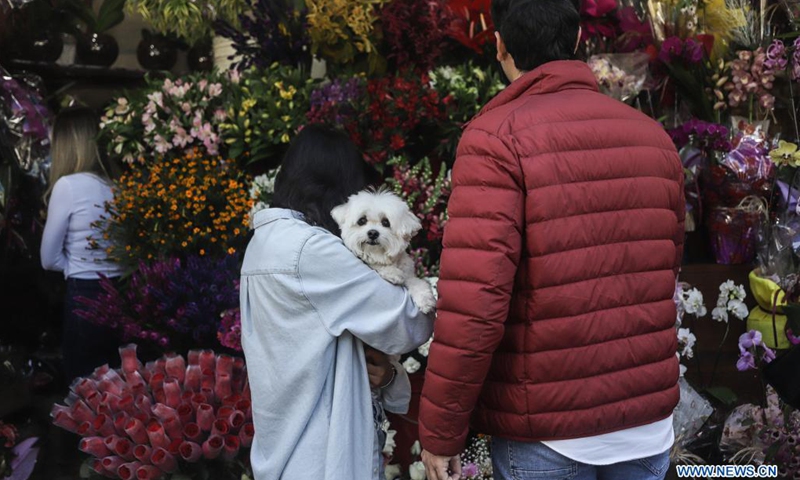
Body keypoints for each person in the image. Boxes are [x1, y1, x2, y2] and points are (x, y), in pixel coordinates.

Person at [417, 0, 685, 479]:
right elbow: (667, 272)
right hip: (645, 425)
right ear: (578, 40)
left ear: (499, 45)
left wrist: (440, 430)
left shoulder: (496, 139)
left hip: (547, 430)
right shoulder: (653, 138)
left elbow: (476, 302)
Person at [239, 125, 434, 480]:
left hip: (281, 443)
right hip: (323, 452)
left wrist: (386, 374)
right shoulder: (312, 250)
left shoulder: (262, 242)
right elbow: (408, 322)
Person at [40, 107, 123, 381]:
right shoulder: (114, 185)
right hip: (121, 291)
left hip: (85, 292)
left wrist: (76, 264)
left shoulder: (68, 186)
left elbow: (48, 259)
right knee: (117, 384)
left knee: (84, 389)